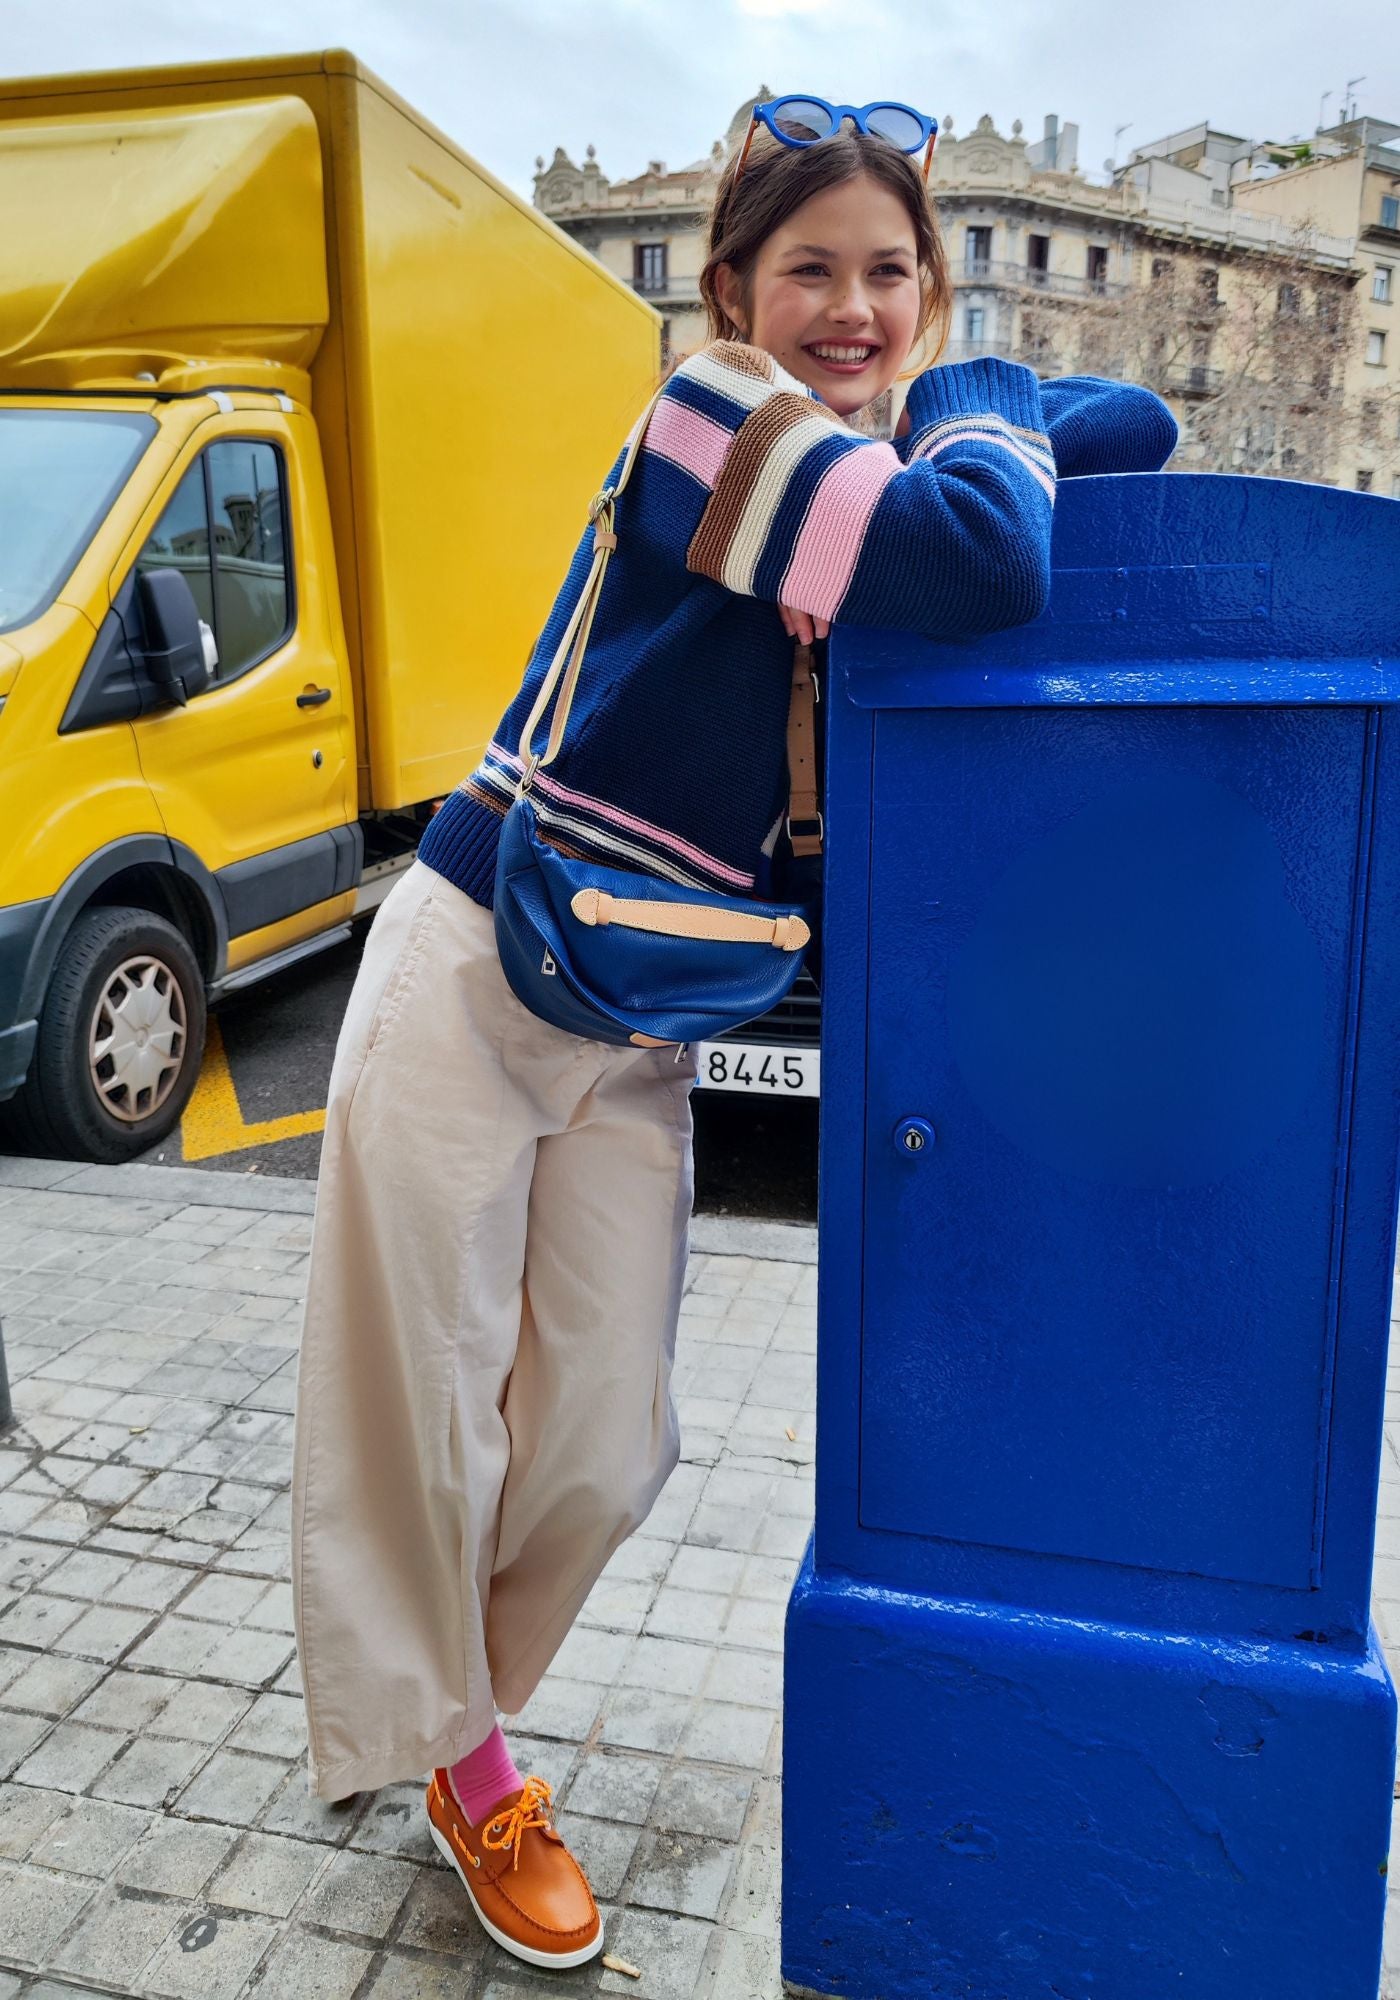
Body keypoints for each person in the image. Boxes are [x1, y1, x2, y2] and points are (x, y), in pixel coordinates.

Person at [289, 92, 1178, 1971]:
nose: (849, 308)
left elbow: (1148, 429)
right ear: (729, 291)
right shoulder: (706, 420)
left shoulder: (876, 447)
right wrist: (974, 410)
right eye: (810, 272)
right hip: (479, 957)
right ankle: (468, 1767)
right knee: (419, 1416)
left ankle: (449, 1706)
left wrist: (965, 393)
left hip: (641, 1016)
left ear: (930, 290)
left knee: (608, 1440)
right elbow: (981, 567)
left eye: (887, 275)